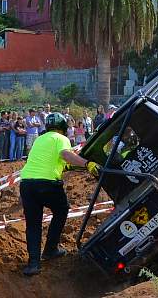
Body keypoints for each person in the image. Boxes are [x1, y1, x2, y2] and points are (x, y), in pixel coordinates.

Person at [19, 112, 99, 276]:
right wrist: (87, 164)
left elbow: (49, 160)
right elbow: (65, 155)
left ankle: (33, 264)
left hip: (26, 184)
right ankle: (50, 249)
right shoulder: (61, 138)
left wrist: (67, 166)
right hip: (47, 184)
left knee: (33, 224)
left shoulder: (39, 139)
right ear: (62, 127)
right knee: (62, 210)